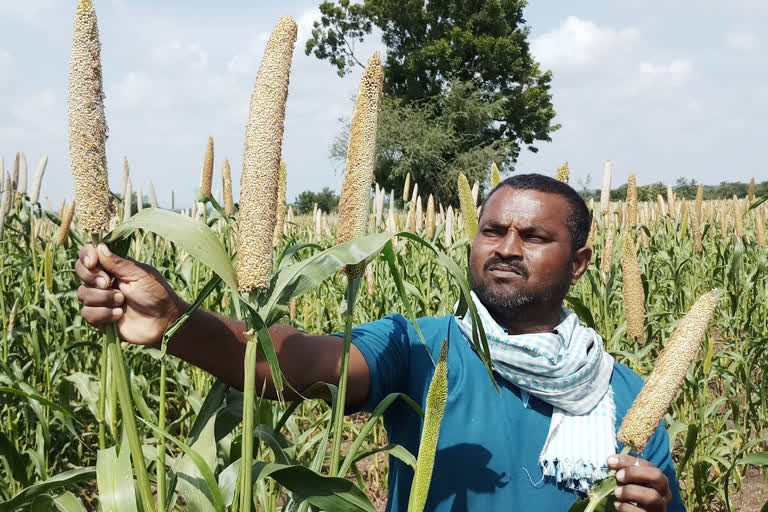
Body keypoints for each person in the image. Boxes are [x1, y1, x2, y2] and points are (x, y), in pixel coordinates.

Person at [76, 174, 684, 511]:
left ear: (578, 264)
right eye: (492, 230)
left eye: (533, 236)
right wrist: (176, 322)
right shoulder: (423, 346)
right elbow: (297, 360)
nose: (505, 247)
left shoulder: (628, 397)